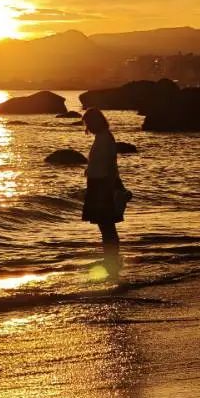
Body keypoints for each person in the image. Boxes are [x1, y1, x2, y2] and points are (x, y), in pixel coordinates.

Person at [81, 107, 130, 276]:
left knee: (107, 225)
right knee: (105, 225)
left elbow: (111, 166)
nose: (87, 126)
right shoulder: (102, 137)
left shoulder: (106, 138)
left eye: (89, 123)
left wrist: (111, 187)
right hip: (97, 185)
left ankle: (112, 258)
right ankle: (111, 258)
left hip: (102, 186)